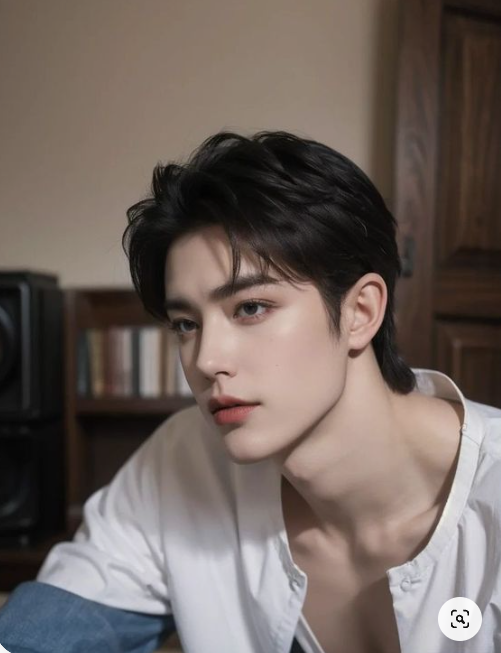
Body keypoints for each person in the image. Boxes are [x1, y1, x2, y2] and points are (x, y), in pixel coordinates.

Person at [0, 130, 500, 653]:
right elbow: (40, 635)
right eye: (185, 324)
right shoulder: (183, 460)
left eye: (251, 308)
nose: (206, 360)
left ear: (361, 312)